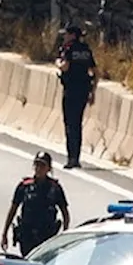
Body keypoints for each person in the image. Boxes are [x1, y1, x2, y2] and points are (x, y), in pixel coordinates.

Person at [1, 152, 71, 256]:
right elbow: (13, 210)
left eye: (42, 165)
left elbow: (65, 214)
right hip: (27, 235)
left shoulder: (55, 188)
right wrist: (4, 234)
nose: (39, 168)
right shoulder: (24, 186)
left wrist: (63, 237)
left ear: (48, 168)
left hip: (47, 236)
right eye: (37, 165)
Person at [56, 24, 97, 169]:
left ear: (72, 35)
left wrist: (58, 64)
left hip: (71, 89)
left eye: (66, 34)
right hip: (84, 90)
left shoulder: (68, 49)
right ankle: (77, 157)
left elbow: (65, 66)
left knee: (69, 124)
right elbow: (94, 71)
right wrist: (93, 92)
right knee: (77, 123)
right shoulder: (86, 50)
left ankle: (71, 158)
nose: (64, 37)